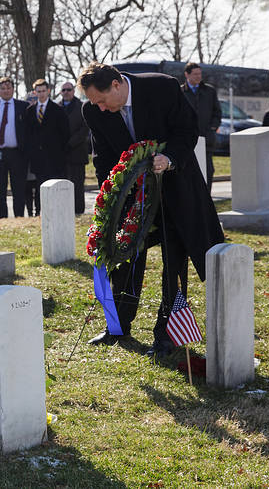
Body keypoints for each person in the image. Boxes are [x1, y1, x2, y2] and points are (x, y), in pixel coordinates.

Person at [79, 62, 224, 357]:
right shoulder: (93, 110)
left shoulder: (162, 87)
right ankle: (117, 325)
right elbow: (103, 155)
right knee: (127, 256)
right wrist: (113, 195)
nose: (101, 109)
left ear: (117, 85)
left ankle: (166, 332)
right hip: (134, 195)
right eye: (96, 103)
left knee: (175, 259)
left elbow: (188, 129)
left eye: (103, 100)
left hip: (175, 185)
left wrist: (168, 158)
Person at [0, 77, 29, 218]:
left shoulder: (23, 106)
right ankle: (1, 216)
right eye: (3, 88)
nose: (6, 91)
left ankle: (19, 216)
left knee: (19, 187)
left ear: (13, 89)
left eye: (8, 88)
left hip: (17, 153)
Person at [22, 79, 69, 215]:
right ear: (35, 92)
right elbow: (27, 134)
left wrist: (59, 151)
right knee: (38, 186)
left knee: (53, 184)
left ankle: (54, 211)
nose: (41, 94)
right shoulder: (30, 111)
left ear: (48, 91)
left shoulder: (58, 110)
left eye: (43, 91)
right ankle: (38, 212)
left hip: (54, 156)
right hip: (37, 157)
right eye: (38, 91)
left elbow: (65, 133)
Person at [181, 62, 221, 191]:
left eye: (200, 73)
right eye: (195, 74)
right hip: (187, 140)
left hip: (207, 138)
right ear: (187, 74)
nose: (199, 76)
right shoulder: (180, 92)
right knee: (189, 172)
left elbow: (217, 112)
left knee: (208, 170)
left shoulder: (209, 91)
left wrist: (213, 127)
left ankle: (207, 199)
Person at [60, 81, 91, 214]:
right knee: (62, 185)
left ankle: (78, 210)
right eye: (64, 90)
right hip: (61, 155)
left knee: (77, 185)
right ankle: (65, 211)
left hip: (77, 153)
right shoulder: (56, 107)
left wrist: (70, 143)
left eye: (69, 89)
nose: (66, 92)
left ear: (73, 91)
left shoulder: (81, 106)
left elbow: (84, 129)